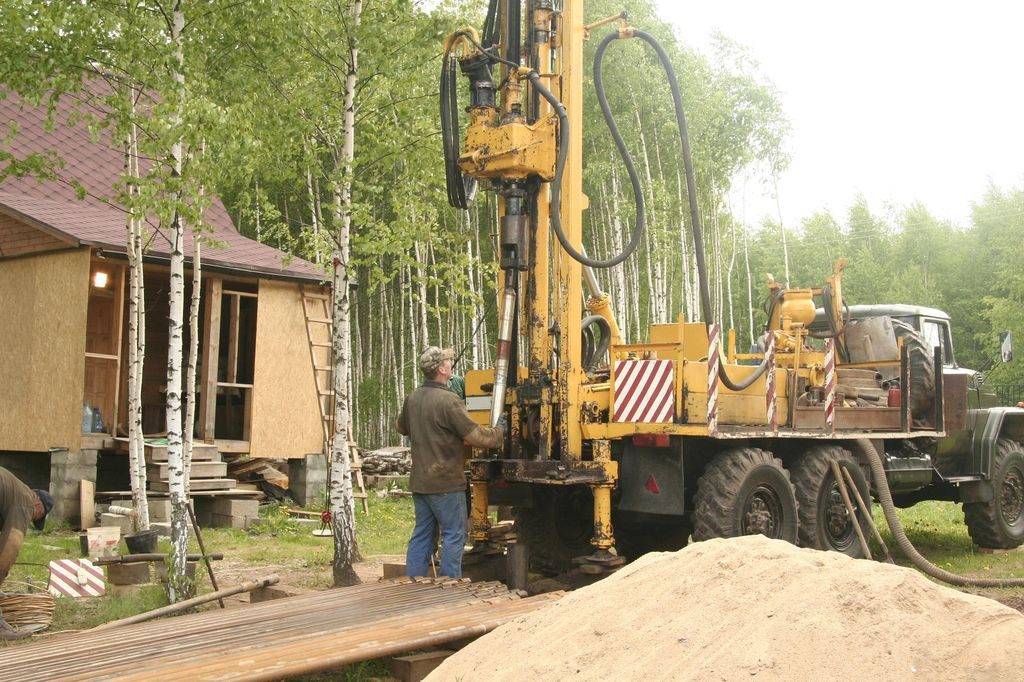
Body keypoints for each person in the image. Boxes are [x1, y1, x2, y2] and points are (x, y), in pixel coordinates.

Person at [397, 346, 504, 578]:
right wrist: (498, 432)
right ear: (442, 369)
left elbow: (402, 427)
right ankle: (449, 587)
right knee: (454, 534)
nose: (451, 364)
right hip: (445, 483)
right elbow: (475, 436)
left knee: (422, 535)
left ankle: (413, 583)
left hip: (420, 482)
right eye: (448, 362)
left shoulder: (412, 398)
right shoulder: (449, 401)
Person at [0, 467, 53, 640]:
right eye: (36, 517)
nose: (31, 519)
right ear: (38, 505)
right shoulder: (25, 501)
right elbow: (11, 544)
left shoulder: (11, 491)